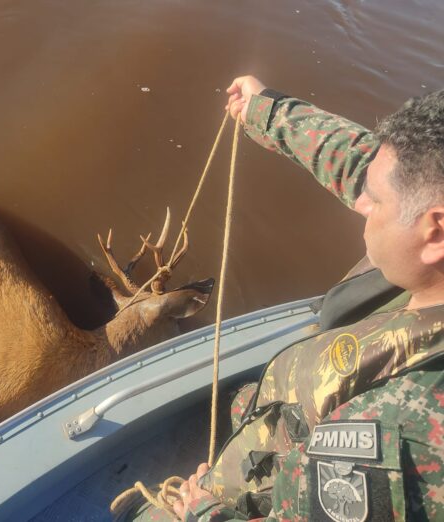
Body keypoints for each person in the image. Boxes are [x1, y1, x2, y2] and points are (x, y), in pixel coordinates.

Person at [119, 76, 444, 521]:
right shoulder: (424, 237)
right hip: (286, 414)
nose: (360, 203)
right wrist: (265, 111)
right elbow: (358, 161)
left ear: (435, 231)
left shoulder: (400, 436)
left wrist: (205, 510)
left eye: (375, 202)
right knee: (240, 399)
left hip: (271, 487)